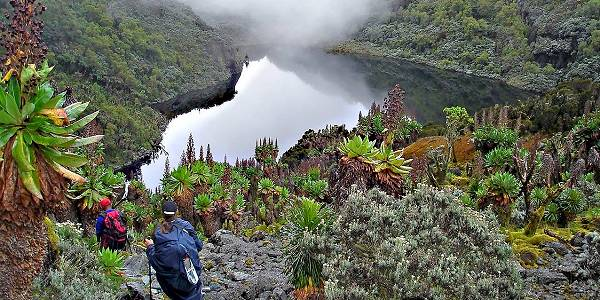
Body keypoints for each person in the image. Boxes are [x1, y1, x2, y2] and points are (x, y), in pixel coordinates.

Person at [145, 201, 203, 300]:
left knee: (162, 270)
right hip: (192, 272)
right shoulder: (186, 226)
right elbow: (199, 246)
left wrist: (150, 247)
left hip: (172, 281)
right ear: (176, 212)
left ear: (162, 213)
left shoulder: (158, 231)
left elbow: (158, 262)